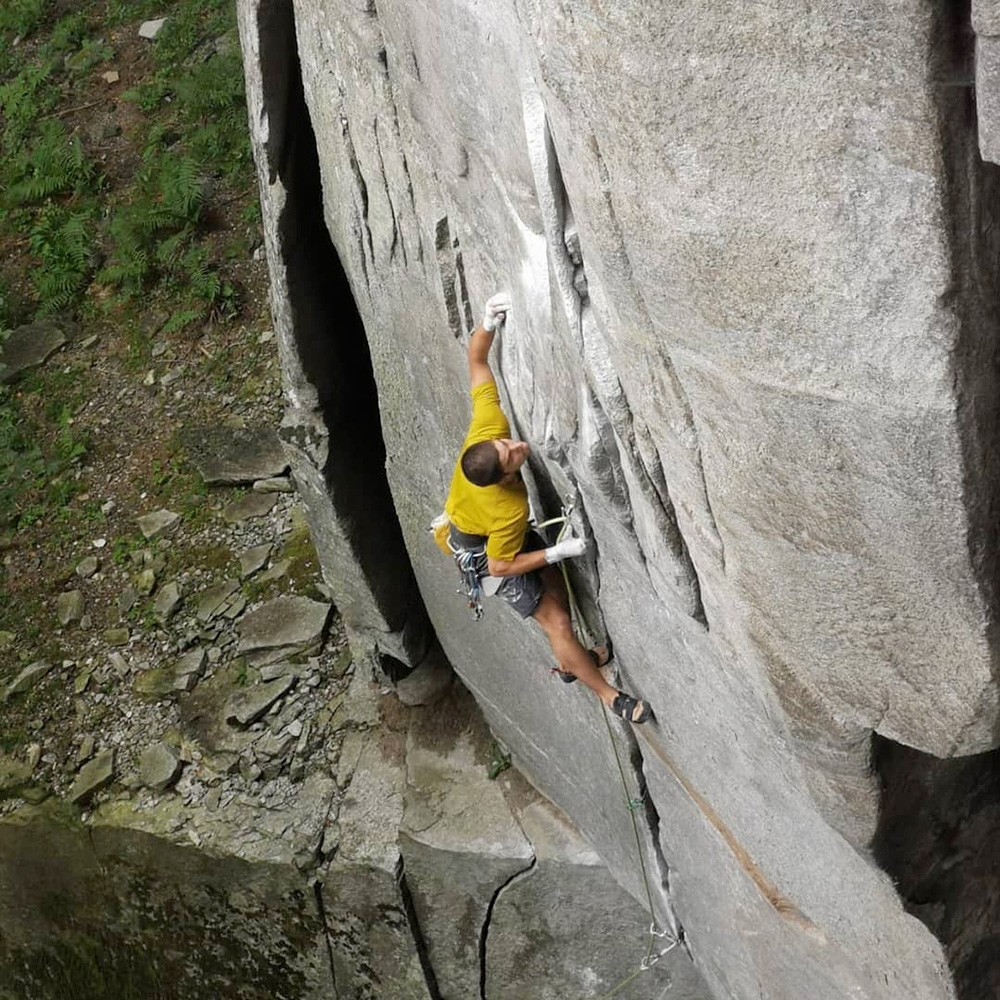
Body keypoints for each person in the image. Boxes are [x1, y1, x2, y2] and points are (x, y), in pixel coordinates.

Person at [435, 292, 652, 724]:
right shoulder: (506, 510)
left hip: (487, 535)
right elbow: (499, 566)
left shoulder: (486, 428)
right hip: (483, 556)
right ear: (502, 478)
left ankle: (576, 661)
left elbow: (477, 362)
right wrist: (556, 550)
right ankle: (611, 697)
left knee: (556, 590)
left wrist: (487, 324)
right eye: (511, 456)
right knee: (555, 621)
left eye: (506, 444)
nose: (516, 446)